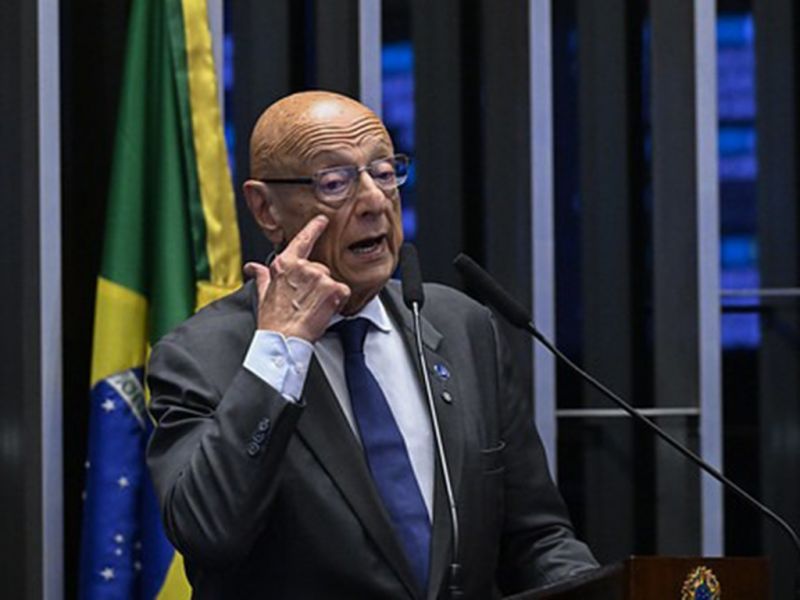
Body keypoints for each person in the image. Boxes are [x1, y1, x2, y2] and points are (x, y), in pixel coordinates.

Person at [146, 90, 597, 599]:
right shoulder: (199, 357)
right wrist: (282, 350)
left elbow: (536, 539)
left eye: (384, 173)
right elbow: (208, 532)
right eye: (335, 182)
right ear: (266, 208)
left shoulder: (461, 325)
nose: (375, 202)